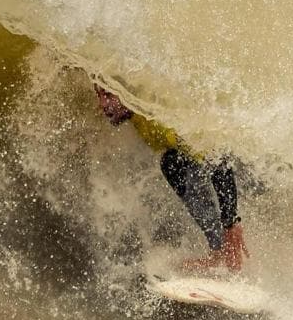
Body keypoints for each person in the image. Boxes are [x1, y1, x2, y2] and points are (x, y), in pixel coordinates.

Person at [94, 83, 249, 272]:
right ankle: (220, 251)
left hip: (247, 167)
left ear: (127, 92)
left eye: (109, 95)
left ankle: (229, 256)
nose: (102, 104)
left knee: (172, 163)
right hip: (227, 164)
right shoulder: (139, 113)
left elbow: (219, 160)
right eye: (99, 94)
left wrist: (231, 222)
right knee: (172, 162)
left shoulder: (159, 120)